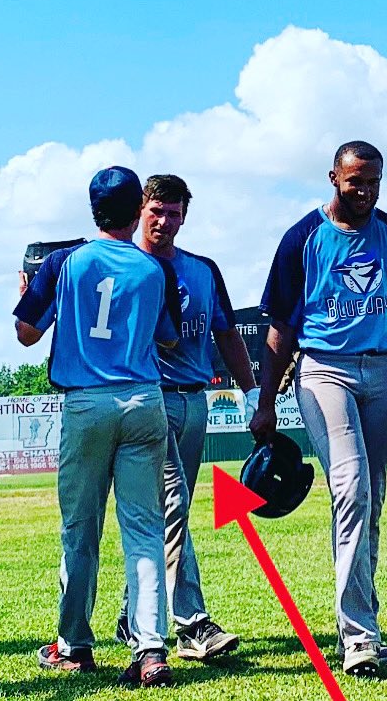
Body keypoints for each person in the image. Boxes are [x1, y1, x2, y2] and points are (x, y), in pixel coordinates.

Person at [250, 140, 387, 678]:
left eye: (374, 182)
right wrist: (265, 403)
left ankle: (366, 628)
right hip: (324, 370)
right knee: (351, 485)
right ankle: (358, 638)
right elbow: (280, 329)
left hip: (384, 371)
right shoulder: (303, 238)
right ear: (334, 176)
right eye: (355, 181)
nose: (365, 191)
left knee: (371, 498)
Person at [13, 166, 181, 688]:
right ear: (138, 211)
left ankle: (74, 645)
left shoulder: (65, 262)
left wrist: (25, 290)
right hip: (142, 398)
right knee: (144, 529)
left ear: (93, 210)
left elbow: (25, 333)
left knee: (80, 529)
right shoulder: (154, 268)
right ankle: (151, 649)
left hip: (85, 402)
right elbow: (171, 339)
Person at [114, 174, 258, 661]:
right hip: (147, 401)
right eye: (156, 211)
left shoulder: (203, 270)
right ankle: (192, 624)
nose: (164, 221)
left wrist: (252, 391)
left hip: (194, 401)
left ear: (185, 216)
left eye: (174, 213)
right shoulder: (123, 268)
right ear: (139, 211)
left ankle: (134, 610)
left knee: (168, 512)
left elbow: (228, 334)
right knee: (171, 506)